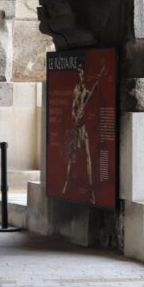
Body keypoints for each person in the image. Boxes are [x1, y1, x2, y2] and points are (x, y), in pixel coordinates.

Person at [63, 64, 105, 202]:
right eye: (80, 74)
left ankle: (91, 189)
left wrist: (96, 84)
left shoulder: (86, 90)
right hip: (76, 126)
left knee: (88, 157)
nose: (82, 76)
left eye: (83, 74)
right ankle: (67, 182)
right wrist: (75, 118)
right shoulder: (76, 89)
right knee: (72, 157)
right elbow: (72, 108)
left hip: (83, 127)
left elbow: (90, 96)